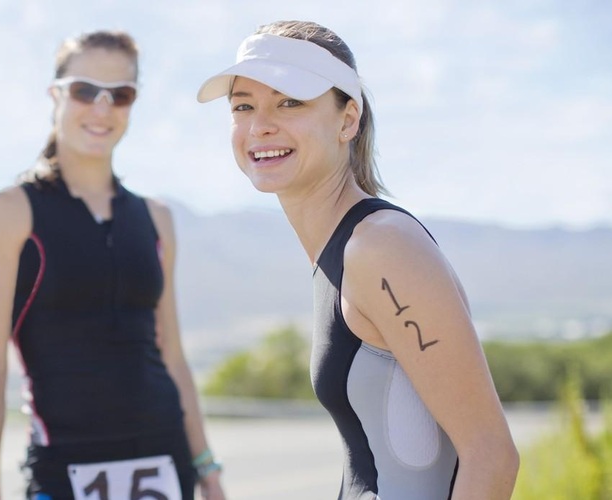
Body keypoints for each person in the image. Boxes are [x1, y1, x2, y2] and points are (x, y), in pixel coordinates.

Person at [196, 20, 519, 499]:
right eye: (243, 106)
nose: (260, 124)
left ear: (348, 119)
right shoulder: (342, 250)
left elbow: (491, 455)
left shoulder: (381, 247)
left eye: (290, 101)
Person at [0, 30, 226, 500]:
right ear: (56, 94)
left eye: (120, 95)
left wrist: (207, 468)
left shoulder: (156, 218)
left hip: (165, 462)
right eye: (86, 91)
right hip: (65, 466)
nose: (102, 109)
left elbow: (173, 356)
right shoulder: (5, 214)